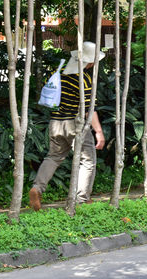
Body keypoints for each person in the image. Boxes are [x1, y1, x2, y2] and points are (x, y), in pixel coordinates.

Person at [29, 42, 106, 211]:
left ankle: (37, 188)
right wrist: (98, 132)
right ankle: (81, 199)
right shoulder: (84, 79)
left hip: (55, 122)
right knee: (88, 161)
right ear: (90, 62)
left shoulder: (59, 73)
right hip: (74, 124)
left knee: (53, 157)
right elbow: (88, 110)